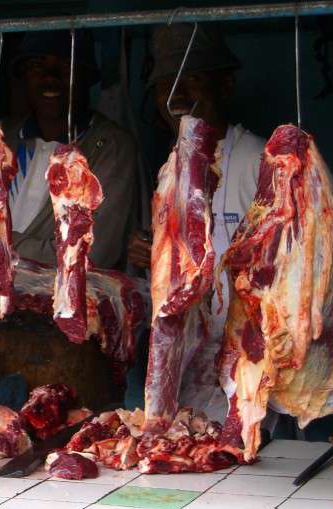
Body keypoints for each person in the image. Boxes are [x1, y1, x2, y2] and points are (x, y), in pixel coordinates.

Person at [128, 23, 267, 422]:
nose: (176, 94)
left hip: (249, 366)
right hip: (188, 365)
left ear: (225, 86)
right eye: (164, 85)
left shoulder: (260, 160)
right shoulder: (171, 169)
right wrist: (149, 253)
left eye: (191, 79)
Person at [0, 30, 139, 270]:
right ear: (25, 76)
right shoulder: (1, 138)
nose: (50, 77)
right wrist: (0, 252)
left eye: (65, 66)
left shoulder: (111, 146)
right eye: (37, 66)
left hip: (64, 293)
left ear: (86, 77)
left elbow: (91, 253)